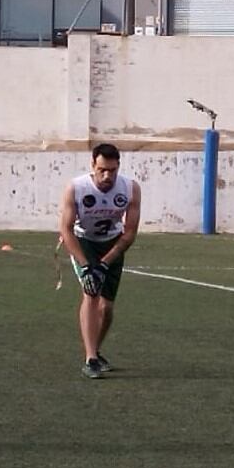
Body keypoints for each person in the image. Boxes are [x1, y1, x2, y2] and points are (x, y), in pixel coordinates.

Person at [59, 143, 142, 379]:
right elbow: (66, 230)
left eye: (112, 170)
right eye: (102, 170)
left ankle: (96, 349)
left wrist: (105, 262)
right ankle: (91, 359)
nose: (107, 176)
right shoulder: (76, 188)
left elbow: (129, 233)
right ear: (92, 165)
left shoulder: (130, 189)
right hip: (84, 242)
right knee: (91, 291)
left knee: (106, 307)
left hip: (112, 243)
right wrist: (87, 266)